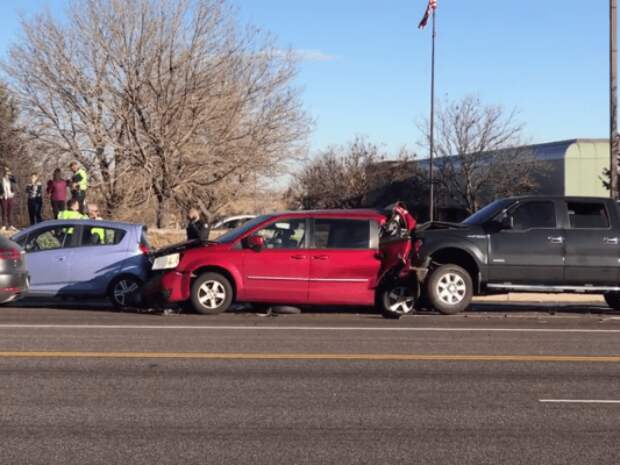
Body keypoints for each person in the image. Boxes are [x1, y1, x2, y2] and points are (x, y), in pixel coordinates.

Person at [0, 166, 17, 231]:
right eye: (6, 174)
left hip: (10, 197)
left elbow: (15, 181)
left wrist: (11, 174)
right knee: (4, 211)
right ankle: (4, 225)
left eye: (8, 174)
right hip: (4, 197)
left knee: (10, 211)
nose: (8, 175)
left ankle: (10, 225)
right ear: (4, 174)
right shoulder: (1, 180)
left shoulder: (11, 179)